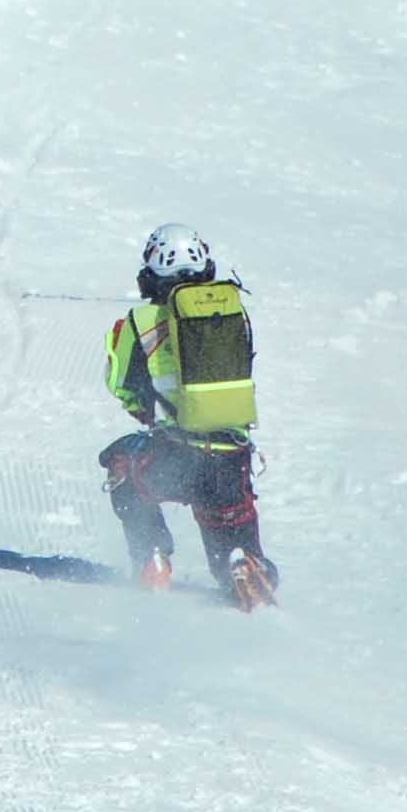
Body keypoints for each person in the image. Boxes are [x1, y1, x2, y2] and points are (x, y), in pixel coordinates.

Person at [101, 226, 278, 609]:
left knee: (121, 464)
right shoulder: (232, 312)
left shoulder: (139, 321)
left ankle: (152, 557)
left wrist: (146, 405)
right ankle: (246, 566)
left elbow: (121, 384)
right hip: (232, 462)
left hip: (175, 457)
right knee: (231, 543)